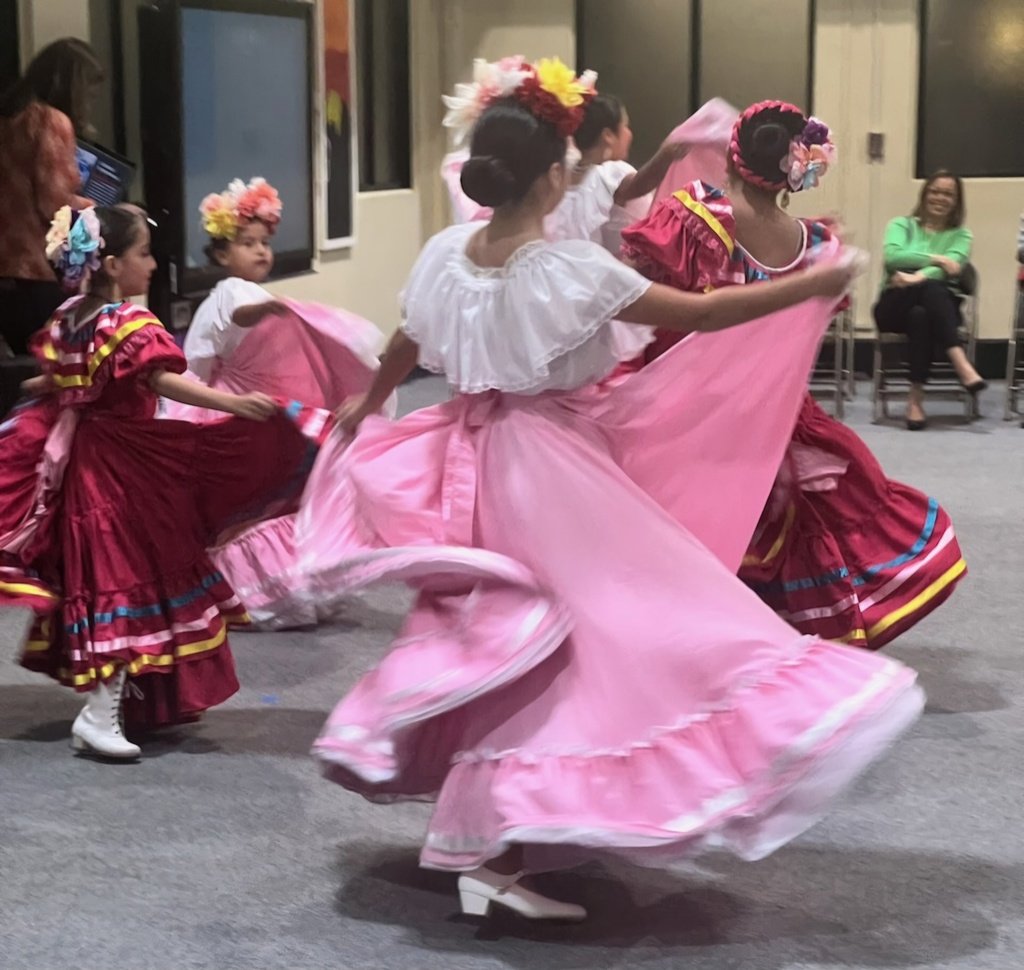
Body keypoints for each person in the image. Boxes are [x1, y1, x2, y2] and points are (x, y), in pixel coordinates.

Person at [294, 62, 922, 922]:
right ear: (554, 175)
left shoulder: (448, 254)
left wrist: (370, 400)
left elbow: (406, 339)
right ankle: (509, 840)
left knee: (528, 647)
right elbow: (698, 316)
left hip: (468, 459)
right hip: (546, 465)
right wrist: (807, 285)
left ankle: (503, 838)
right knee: (629, 626)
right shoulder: (565, 272)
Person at [621, 100, 966, 650]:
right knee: (784, 516)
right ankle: (762, 632)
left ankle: (700, 632)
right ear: (796, 172)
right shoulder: (819, 246)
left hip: (695, 408)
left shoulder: (695, 216)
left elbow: (637, 288)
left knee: (686, 517)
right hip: (776, 414)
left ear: (731, 162)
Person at [0, 204, 324, 760]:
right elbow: (162, 379)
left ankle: (130, 702)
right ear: (109, 264)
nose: (151, 266)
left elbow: (61, 376)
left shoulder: (69, 318)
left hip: (84, 464)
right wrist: (231, 403)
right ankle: (98, 715)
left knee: (114, 576)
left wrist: (42, 389)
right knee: (121, 579)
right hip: (122, 469)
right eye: (143, 255)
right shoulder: (126, 323)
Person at [166, 177, 391, 628]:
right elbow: (237, 318)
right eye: (247, 244)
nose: (261, 251)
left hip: (251, 404)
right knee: (254, 494)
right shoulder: (231, 292)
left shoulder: (254, 292)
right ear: (222, 255)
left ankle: (271, 583)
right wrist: (267, 311)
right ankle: (250, 586)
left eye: (264, 242)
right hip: (228, 407)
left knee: (269, 492)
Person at [0, 38, 104, 357]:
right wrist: (100, 210)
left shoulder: (9, 118)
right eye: (87, 89)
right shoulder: (51, 120)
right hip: (38, 272)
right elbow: (54, 206)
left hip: (6, 273)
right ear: (72, 84)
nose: (89, 99)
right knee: (58, 370)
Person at [873, 171, 984, 429]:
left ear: (957, 201)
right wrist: (937, 260)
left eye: (948, 194)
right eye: (935, 191)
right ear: (924, 194)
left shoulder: (961, 235)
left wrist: (916, 277)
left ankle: (915, 400)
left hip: (938, 307)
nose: (940, 198)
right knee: (931, 289)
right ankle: (959, 361)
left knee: (922, 312)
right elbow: (894, 258)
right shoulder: (901, 225)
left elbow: (954, 268)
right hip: (894, 305)